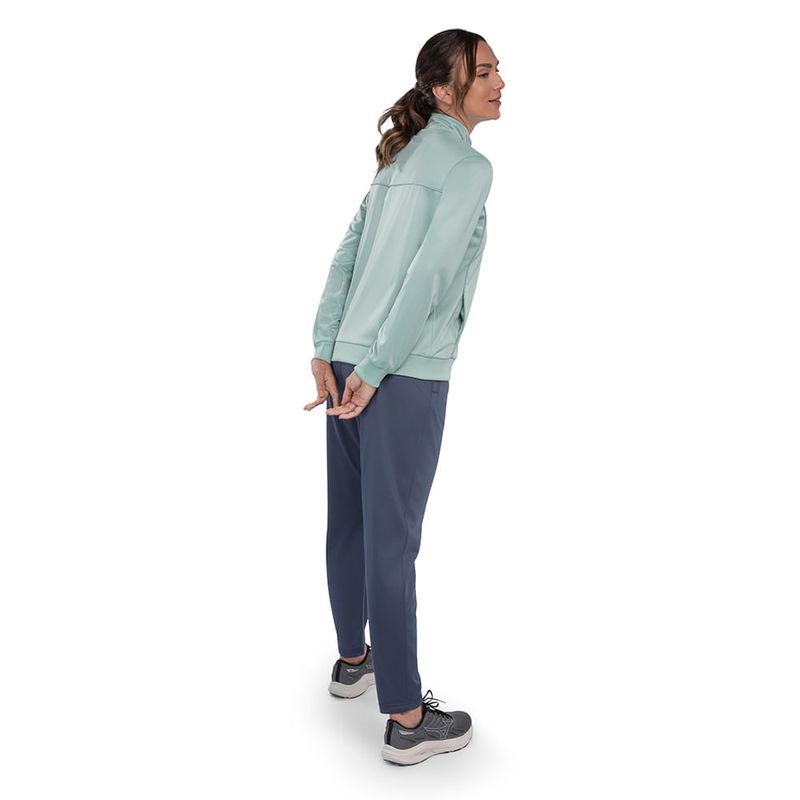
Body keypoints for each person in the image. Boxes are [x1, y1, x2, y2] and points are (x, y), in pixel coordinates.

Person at [303, 28, 504, 766]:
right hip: (401, 371)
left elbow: (345, 257)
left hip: (350, 360)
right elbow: (429, 275)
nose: (500, 83)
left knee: (350, 524)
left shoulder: (398, 161)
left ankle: (353, 661)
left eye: (498, 70)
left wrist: (326, 348)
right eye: (484, 73)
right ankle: (407, 718)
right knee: (392, 541)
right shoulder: (468, 168)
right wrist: (381, 364)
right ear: (445, 89)